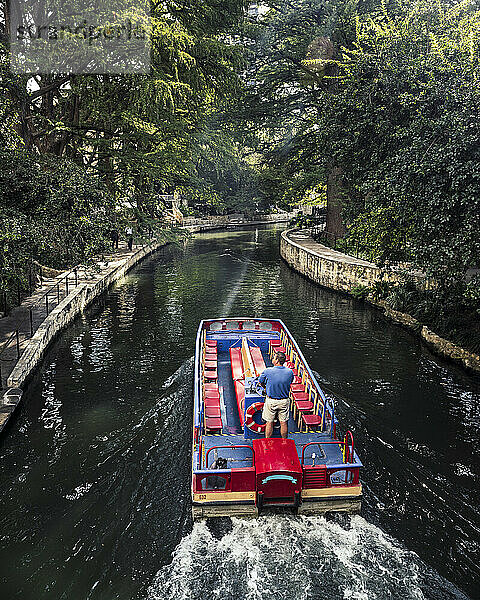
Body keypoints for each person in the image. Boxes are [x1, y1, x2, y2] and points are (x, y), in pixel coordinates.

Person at [258, 351, 294, 439]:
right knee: (283, 422)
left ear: (277, 361)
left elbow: (260, 382)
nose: (272, 359)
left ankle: (267, 441)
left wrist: (266, 388)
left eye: (274, 358)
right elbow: (290, 382)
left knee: (269, 422)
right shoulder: (290, 372)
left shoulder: (267, 371)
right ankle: (284, 441)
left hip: (271, 401)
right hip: (284, 401)